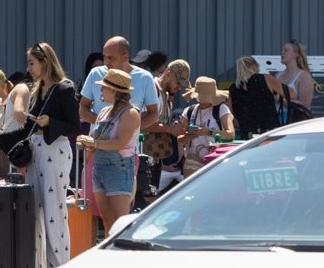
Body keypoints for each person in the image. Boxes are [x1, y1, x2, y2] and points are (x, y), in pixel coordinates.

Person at [18, 42, 80, 268]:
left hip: (55, 150)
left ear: (45, 62)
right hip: (37, 151)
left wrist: (50, 123)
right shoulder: (38, 89)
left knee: (54, 211)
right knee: (35, 211)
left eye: (32, 63)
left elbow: (74, 126)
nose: (29, 68)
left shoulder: (64, 89)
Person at [76, 69, 141, 232]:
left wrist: (94, 143)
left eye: (103, 87)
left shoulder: (131, 113)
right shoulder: (104, 111)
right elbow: (95, 138)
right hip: (99, 167)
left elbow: (121, 142)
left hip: (118, 169)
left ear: (114, 91)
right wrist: (86, 141)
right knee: (106, 221)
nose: (100, 90)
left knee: (120, 223)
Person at [80, 36, 159, 128]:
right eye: (104, 57)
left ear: (125, 57)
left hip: (129, 141)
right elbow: (83, 107)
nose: (106, 62)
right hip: (99, 140)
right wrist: (103, 124)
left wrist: (131, 130)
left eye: (111, 58)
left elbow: (153, 114)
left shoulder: (145, 77)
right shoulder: (95, 73)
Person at [141, 58, 190, 191]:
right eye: (178, 83)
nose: (179, 88)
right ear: (168, 74)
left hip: (155, 158)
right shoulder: (153, 90)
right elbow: (141, 124)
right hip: (143, 157)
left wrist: (173, 128)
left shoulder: (167, 96)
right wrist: (169, 129)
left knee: (152, 194)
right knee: (147, 197)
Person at [177, 77, 234, 176]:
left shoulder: (221, 109)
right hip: (193, 161)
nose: (202, 101)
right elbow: (180, 139)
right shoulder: (189, 111)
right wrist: (189, 136)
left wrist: (208, 132)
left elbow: (230, 134)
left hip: (215, 161)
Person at [228, 56, 282, 140]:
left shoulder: (233, 89)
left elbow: (230, 114)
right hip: (269, 130)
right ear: (254, 67)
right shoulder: (263, 80)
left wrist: (242, 124)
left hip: (247, 134)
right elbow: (282, 96)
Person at [277, 39, 314, 111]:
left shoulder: (304, 76)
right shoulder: (278, 75)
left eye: (286, 50)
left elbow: (305, 105)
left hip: (295, 119)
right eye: (282, 50)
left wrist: (281, 100)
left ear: (296, 54)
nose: (282, 53)